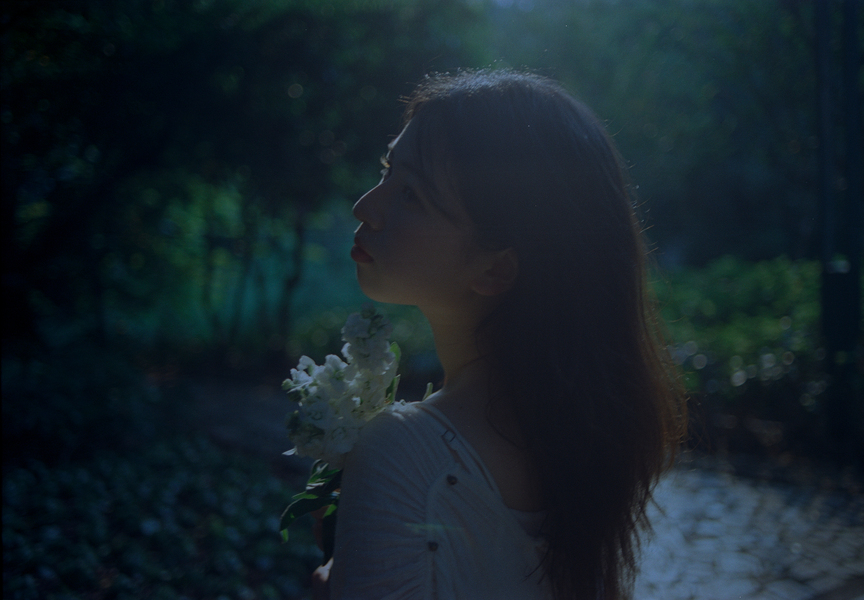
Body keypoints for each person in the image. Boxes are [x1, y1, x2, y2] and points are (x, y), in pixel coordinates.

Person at [316, 69, 686, 600]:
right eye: (387, 169)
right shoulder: (587, 444)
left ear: (496, 269)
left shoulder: (402, 451)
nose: (365, 207)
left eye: (412, 194)